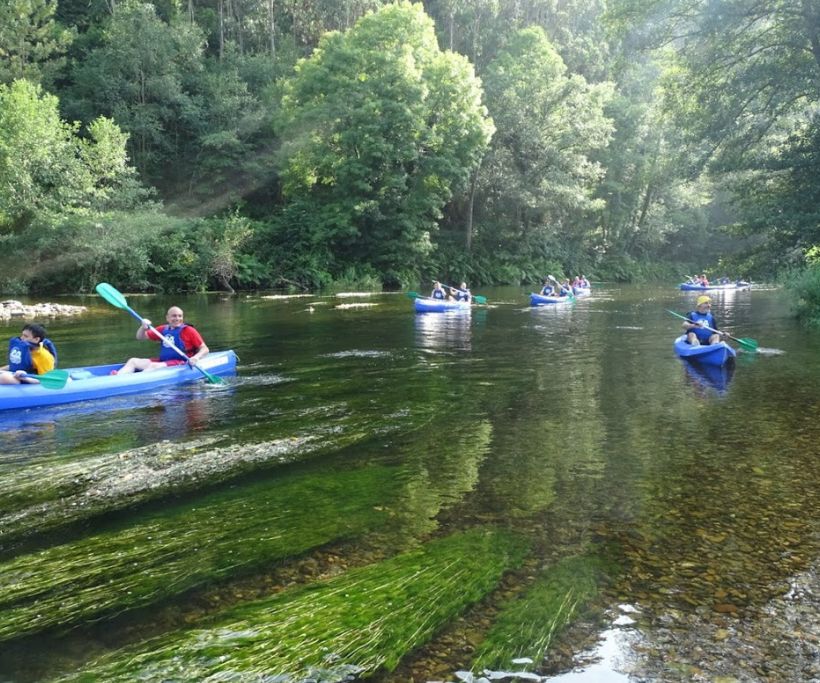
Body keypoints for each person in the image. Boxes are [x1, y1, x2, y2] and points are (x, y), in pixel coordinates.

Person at [114, 306, 209, 375]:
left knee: (152, 366)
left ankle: (132, 382)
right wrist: (143, 328)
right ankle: (116, 379)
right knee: (133, 361)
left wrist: (196, 358)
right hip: (164, 361)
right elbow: (140, 337)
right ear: (167, 317)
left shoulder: (189, 330)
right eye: (174, 316)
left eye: (180, 316)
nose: (177, 319)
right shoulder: (163, 329)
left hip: (182, 362)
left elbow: (204, 349)